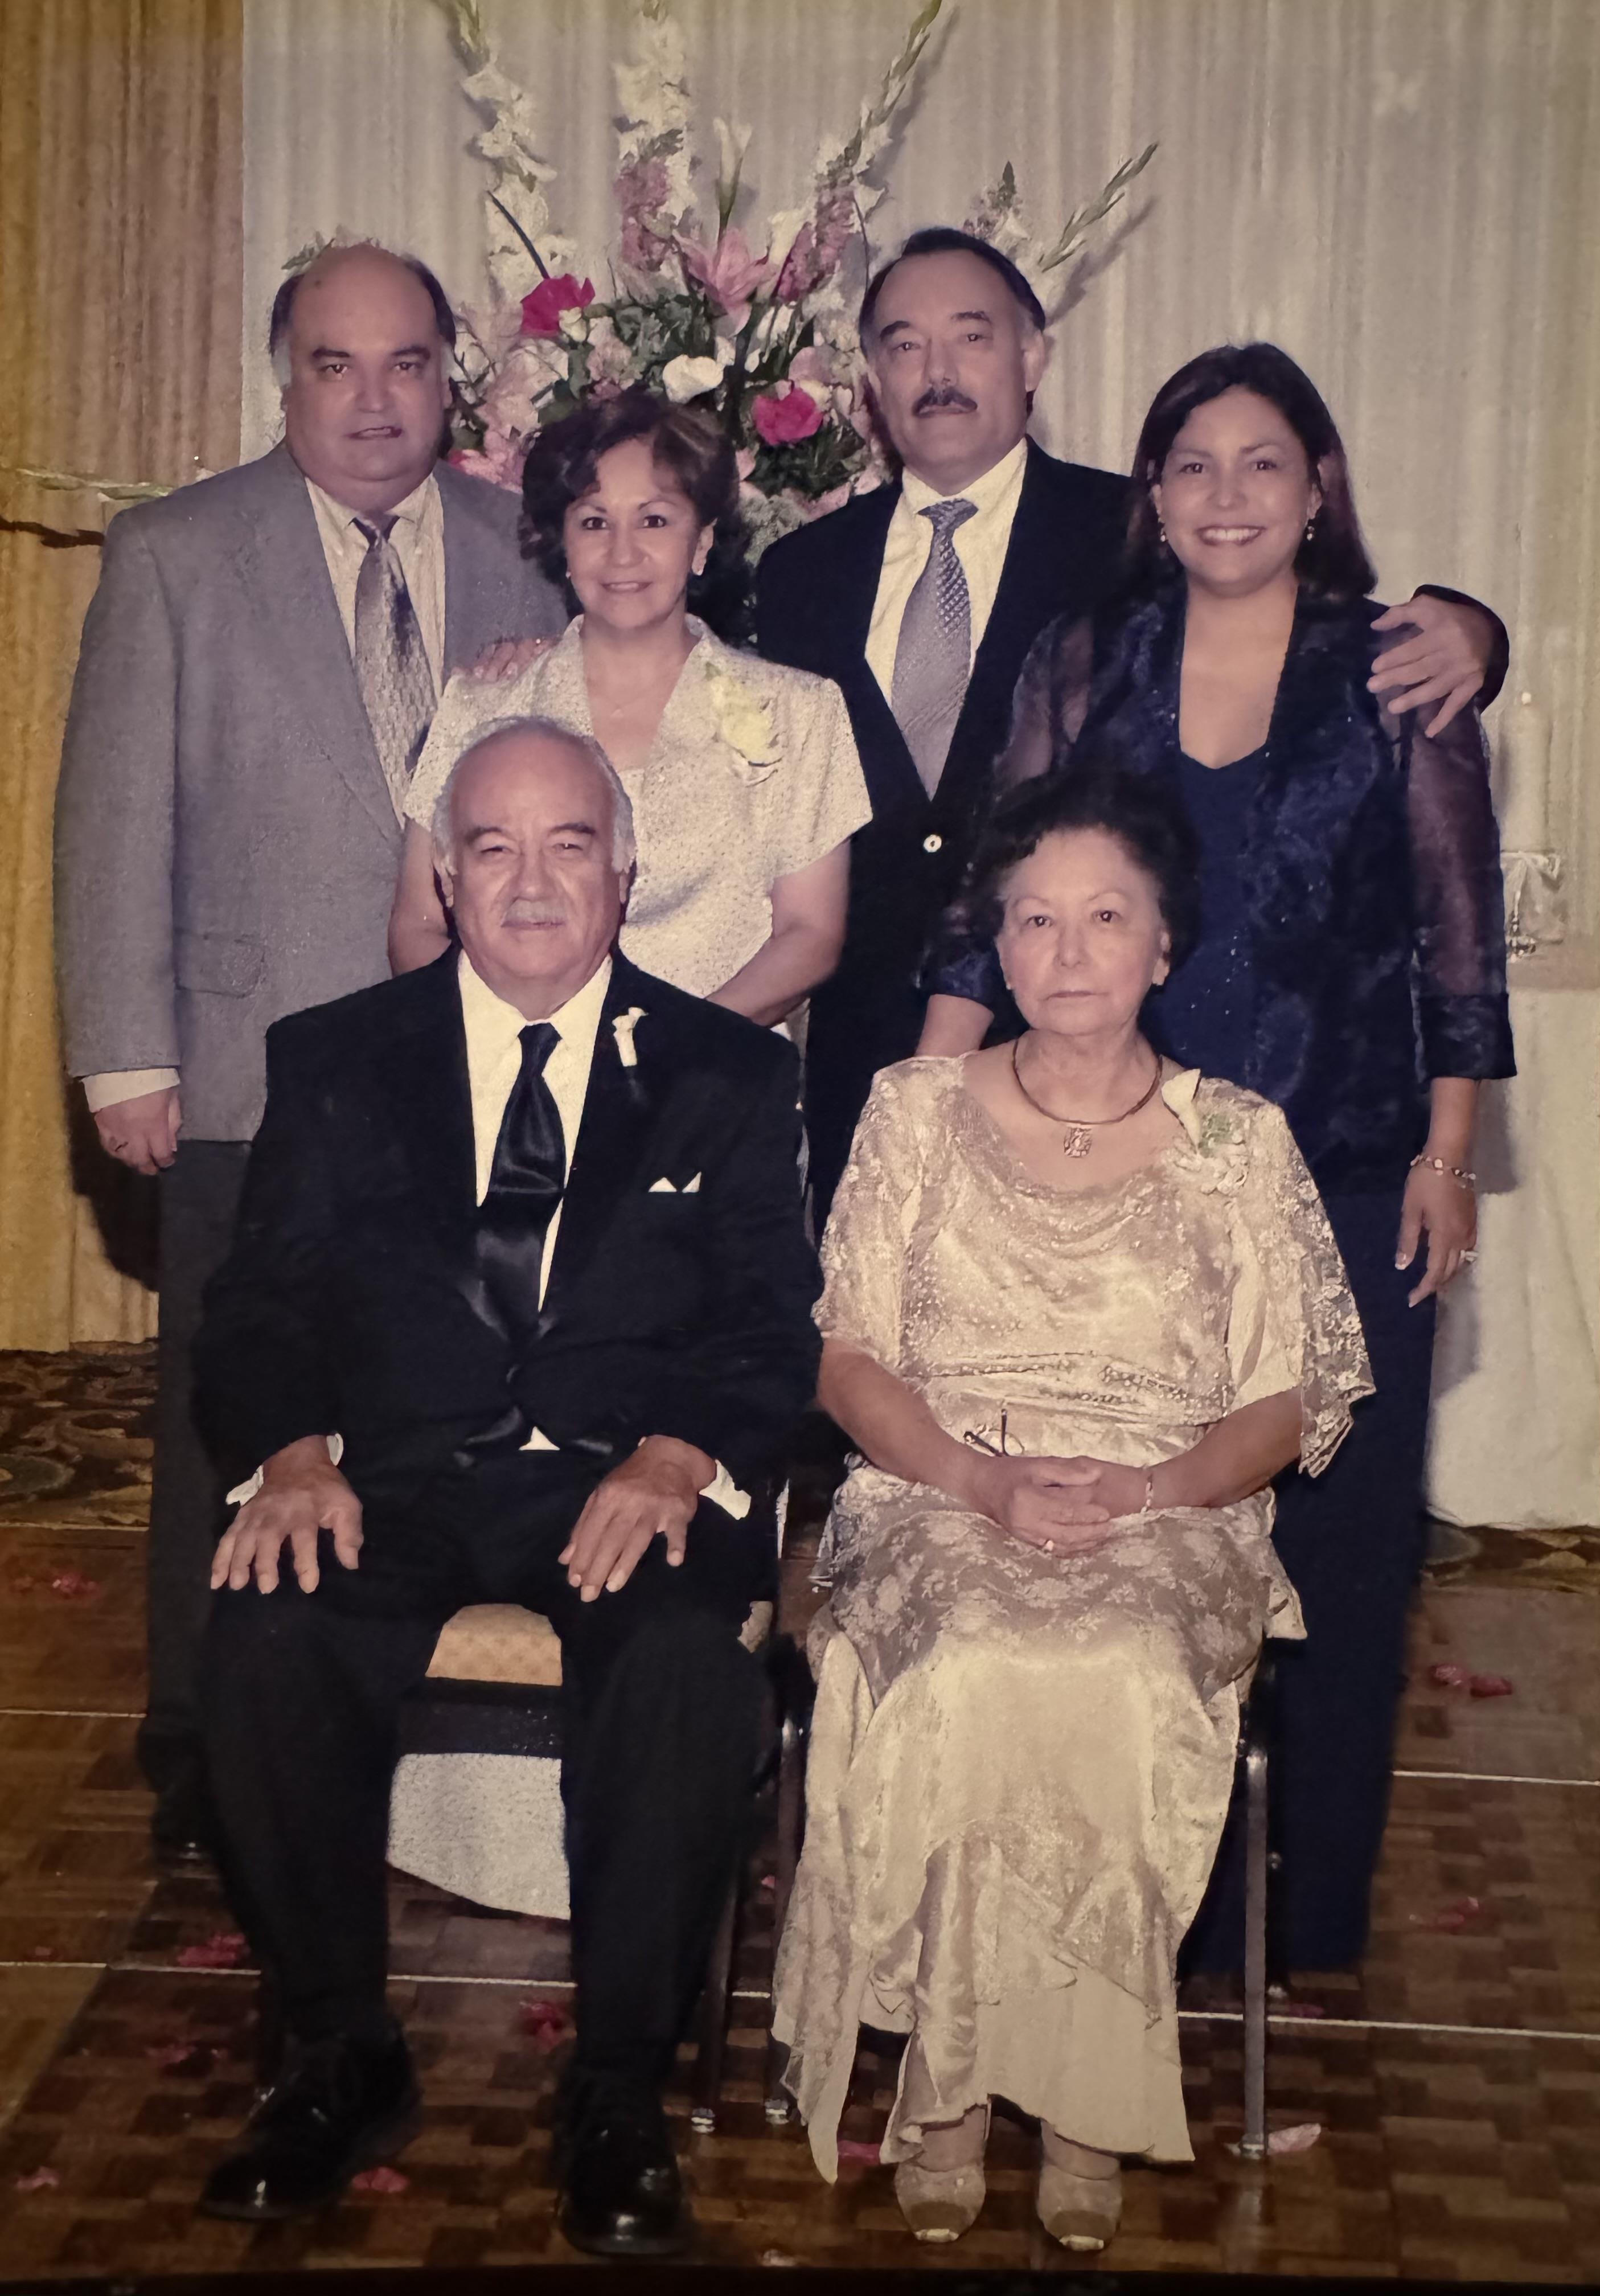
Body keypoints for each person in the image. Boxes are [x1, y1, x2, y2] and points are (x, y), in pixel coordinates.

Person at [916, 343, 1515, 1974]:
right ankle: (1145, 1897)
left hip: (1349, 1163)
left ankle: (1306, 1917)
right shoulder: (1085, 656)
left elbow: (1457, 933)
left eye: (1264, 463)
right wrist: (928, 1106)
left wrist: (1449, 1154)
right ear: (1153, 495)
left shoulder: (1397, 671)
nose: (1227, 494)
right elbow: (991, 897)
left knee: (1341, 1536)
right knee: (1146, 1537)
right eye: (1193, 464)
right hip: (1119, 1173)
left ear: (1318, 491)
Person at [190, 718, 820, 2250]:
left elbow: (770, 1327)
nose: (531, 882)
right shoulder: (334, 1059)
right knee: (267, 1633)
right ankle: (341, 2053)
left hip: (622, 1478)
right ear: (447, 882)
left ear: (624, 871)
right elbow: (258, 1308)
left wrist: (677, 1452)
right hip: (390, 1476)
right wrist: (292, 1455)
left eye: (567, 846)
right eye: (491, 848)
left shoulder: (729, 1074)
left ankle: (617, 2090)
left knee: (681, 1661)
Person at [772, 762, 1371, 2249]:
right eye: (1033, 919)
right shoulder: (913, 1110)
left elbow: (1289, 1400)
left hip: (1168, 1504)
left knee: (1110, 1667)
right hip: (937, 1486)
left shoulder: (1239, 1139)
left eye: (1106, 917)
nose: (1067, 950)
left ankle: (1087, 2102)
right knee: (975, 1657)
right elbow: (846, 1359)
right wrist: (979, 1479)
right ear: (998, 944)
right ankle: (953, 2091)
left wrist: (1152, 1486)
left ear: (1164, 945)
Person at [52, 242, 564, 1862]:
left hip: (464, 1071)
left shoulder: (524, 550)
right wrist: (124, 1052)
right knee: (236, 1407)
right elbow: (112, 814)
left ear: (449, 380)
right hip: (240, 1065)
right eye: (336, 366)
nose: (374, 400)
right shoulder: (176, 553)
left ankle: (390, 1735)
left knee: (424, 1405)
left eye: (408, 363)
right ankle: (201, 1743)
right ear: (286, 378)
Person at [754, 228, 1508, 1218]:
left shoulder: (1131, 535)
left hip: (1182, 1088)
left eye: (972, 336)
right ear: (870, 380)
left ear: (1033, 358)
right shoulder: (798, 573)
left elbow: (1320, 636)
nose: (938, 371)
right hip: (902, 1062)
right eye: (904, 344)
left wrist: (1477, 633)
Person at [389, 387, 869, 1028]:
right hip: (520, 1066)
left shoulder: (799, 713)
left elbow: (810, 935)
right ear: (562, 544)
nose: (622, 553)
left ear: (701, 543)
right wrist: (515, 1044)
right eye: (594, 523)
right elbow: (417, 924)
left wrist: (670, 1052)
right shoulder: (481, 708)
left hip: (716, 1065)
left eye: (654, 521)